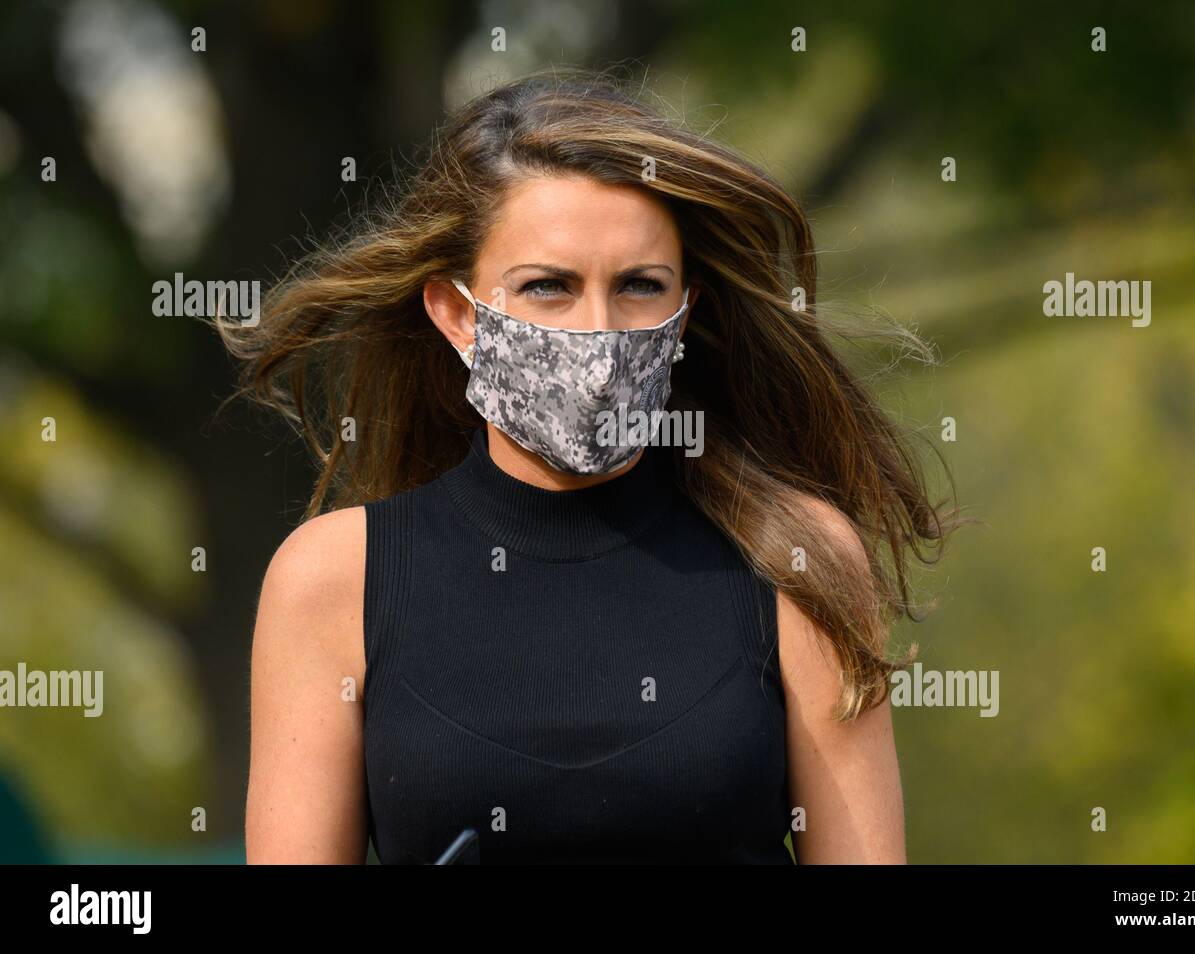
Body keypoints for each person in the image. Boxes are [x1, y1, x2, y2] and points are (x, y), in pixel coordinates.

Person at [229, 65, 958, 864]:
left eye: (641, 287)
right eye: (549, 287)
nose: (600, 334)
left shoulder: (799, 564)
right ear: (454, 313)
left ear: (688, 313)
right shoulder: (333, 581)